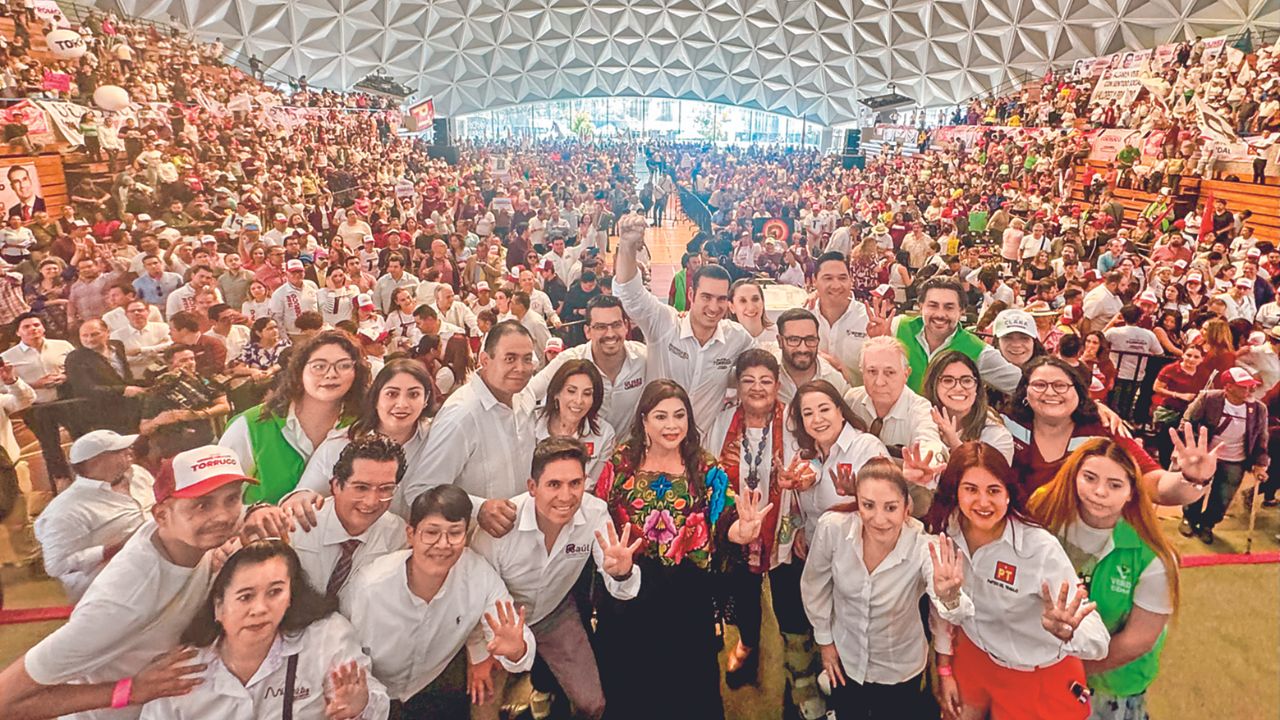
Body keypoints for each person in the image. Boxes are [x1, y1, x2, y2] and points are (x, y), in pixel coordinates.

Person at [0, 445, 252, 720]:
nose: (224, 516)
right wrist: (129, 691)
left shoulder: (179, 541)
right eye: (202, 504)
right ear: (162, 516)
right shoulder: (123, 600)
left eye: (232, 499)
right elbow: (5, 701)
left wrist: (259, 512)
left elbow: (233, 517)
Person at [593, 379, 769, 720]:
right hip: (630, 594)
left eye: (679, 415)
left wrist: (741, 532)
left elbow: (723, 522)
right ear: (643, 420)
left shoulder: (704, 466)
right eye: (660, 416)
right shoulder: (620, 463)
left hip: (688, 597)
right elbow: (600, 518)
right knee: (629, 688)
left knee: (690, 688)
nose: (671, 425)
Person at [924, 442, 1111, 720]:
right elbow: (944, 610)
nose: (983, 502)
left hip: (1036, 675)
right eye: (971, 489)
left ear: (1009, 494)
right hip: (974, 656)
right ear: (956, 492)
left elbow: (1099, 641)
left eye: (994, 490)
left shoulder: (1039, 548)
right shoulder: (944, 530)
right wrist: (944, 668)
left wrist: (1068, 632)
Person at [469, 437, 641, 720]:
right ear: (532, 487)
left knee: (593, 704)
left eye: (575, 484)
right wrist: (479, 655)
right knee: (483, 704)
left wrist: (621, 572)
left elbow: (620, 587)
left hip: (555, 613)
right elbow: (472, 596)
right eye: (554, 485)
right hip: (497, 625)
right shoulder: (498, 529)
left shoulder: (595, 512)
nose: (566, 496)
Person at [138, 539, 390, 719]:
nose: (260, 608)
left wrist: (359, 707)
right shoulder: (181, 671)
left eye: (275, 592)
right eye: (245, 597)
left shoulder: (326, 637)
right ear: (218, 607)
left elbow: (374, 704)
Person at [341, 485, 536, 719]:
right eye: (431, 533)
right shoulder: (369, 587)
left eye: (454, 533)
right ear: (411, 534)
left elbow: (518, 639)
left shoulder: (479, 576)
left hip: (434, 686)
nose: (443, 544)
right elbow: (341, 652)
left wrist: (516, 650)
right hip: (372, 695)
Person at [801, 457, 969, 719]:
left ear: (906, 508)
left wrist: (948, 595)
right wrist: (825, 642)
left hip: (899, 669)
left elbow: (953, 613)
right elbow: (815, 586)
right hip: (847, 658)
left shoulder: (925, 548)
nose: (879, 519)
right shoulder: (833, 529)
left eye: (890, 508)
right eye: (868, 505)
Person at [1027, 439, 1181, 720]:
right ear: (1073, 476)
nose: (1099, 492)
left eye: (1115, 485)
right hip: (1037, 665)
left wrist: (1066, 668)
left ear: (1132, 492)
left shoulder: (1154, 557)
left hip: (1109, 685)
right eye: (1089, 478)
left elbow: (1138, 639)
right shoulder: (1043, 509)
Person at [703, 349, 805, 692]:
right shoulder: (721, 421)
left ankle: (798, 662)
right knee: (744, 595)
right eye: (748, 381)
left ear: (778, 385)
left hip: (785, 527)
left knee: (789, 596)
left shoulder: (794, 420)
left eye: (765, 381)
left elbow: (814, 464)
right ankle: (747, 643)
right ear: (737, 385)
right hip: (739, 530)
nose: (757, 388)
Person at [1003, 356, 1217, 505]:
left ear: (1079, 393)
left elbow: (1154, 483)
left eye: (1061, 385)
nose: (1050, 392)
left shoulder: (1105, 430)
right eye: (1039, 385)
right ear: (1025, 392)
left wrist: (1190, 478)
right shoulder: (1005, 426)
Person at [612, 213, 755, 431]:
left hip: (700, 455)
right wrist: (626, 246)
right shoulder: (665, 323)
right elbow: (629, 294)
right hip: (653, 446)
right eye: (706, 297)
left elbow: (763, 365)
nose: (714, 307)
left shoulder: (737, 337)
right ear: (691, 295)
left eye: (721, 299)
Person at [406, 320, 537, 537]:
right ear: (485, 360)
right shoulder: (462, 415)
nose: (520, 368)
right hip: (473, 548)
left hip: (520, 542)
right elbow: (420, 491)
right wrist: (479, 509)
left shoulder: (524, 397)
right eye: (510, 359)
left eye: (527, 359)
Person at [220, 330, 370, 503]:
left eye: (344, 366)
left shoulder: (362, 426)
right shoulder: (250, 425)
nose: (331, 374)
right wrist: (255, 514)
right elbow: (220, 504)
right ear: (299, 371)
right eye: (319, 366)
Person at [285, 360, 434, 523]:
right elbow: (305, 493)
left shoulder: (436, 440)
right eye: (392, 394)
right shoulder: (341, 443)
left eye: (414, 395)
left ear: (426, 399)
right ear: (376, 397)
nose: (402, 404)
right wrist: (301, 498)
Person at [33, 430, 154, 603]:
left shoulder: (138, 473)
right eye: (119, 450)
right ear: (96, 461)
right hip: (108, 590)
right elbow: (56, 566)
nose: (130, 451)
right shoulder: (64, 511)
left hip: (154, 569)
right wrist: (114, 549)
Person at [525, 294, 648, 436]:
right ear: (587, 331)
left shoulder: (643, 357)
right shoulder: (569, 361)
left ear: (626, 327)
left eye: (616, 325)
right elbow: (528, 395)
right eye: (601, 327)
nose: (610, 334)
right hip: (581, 453)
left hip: (627, 453)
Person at [1178, 367, 1269, 544]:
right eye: (1243, 386)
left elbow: (1261, 438)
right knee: (1195, 489)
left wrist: (1260, 463)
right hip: (1205, 455)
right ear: (1228, 387)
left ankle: (1207, 525)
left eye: (1251, 386)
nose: (1249, 390)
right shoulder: (1208, 398)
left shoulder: (1259, 409)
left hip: (1235, 459)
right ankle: (1189, 517)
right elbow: (1187, 421)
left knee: (1223, 497)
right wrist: (1189, 448)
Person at [894, 275, 1022, 394]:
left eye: (949, 307)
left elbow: (1022, 385)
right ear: (921, 307)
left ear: (962, 311)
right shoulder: (898, 327)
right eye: (933, 306)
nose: (940, 314)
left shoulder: (976, 350)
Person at [2, 312, 74, 485]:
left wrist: (65, 377)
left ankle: (89, 476)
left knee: (82, 437)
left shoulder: (62, 345)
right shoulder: (7, 357)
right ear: (18, 332)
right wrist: (35, 384)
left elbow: (78, 367)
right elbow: (3, 388)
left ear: (43, 327)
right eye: (26, 327)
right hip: (36, 407)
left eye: (36, 325)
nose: (33, 329)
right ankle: (62, 483)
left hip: (66, 401)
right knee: (50, 447)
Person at [137, 345, 231, 461]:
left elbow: (224, 406)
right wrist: (159, 420)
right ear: (170, 365)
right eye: (183, 360)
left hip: (206, 442)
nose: (190, 363)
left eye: (192, 359)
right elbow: (144, 428)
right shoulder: (158, 389)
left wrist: (198, 414)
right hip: (173, 449)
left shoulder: (206, 381)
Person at [921, 349, 1015, 462]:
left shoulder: (996, 433)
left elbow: (988, 477)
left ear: (977, 387)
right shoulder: (919, 419)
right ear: (933, 386)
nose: (958, 388)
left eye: (966, 380)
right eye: (948, 380)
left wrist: (955, 443)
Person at [534, 359, 616, 483]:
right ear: (556, 393)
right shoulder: (531, 422)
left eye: (587, 394)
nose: (578, 401)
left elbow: (594, 486)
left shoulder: (604, 434)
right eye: (571, 391)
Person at [65, 318, 145, 433]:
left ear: (107, 332)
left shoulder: (117, 345)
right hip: (102, 413)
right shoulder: (75, 358)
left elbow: (125, 377)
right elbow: (85, 389)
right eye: (85, 336)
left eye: (94, 334)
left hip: (130, 407)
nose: (90, 339)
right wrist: (123, 390)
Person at [774, 307, 849, 405]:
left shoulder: (834, 381)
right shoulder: (768, 374)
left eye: (810, 339)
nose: (803, 349)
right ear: (780, 341)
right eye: (794, 340)